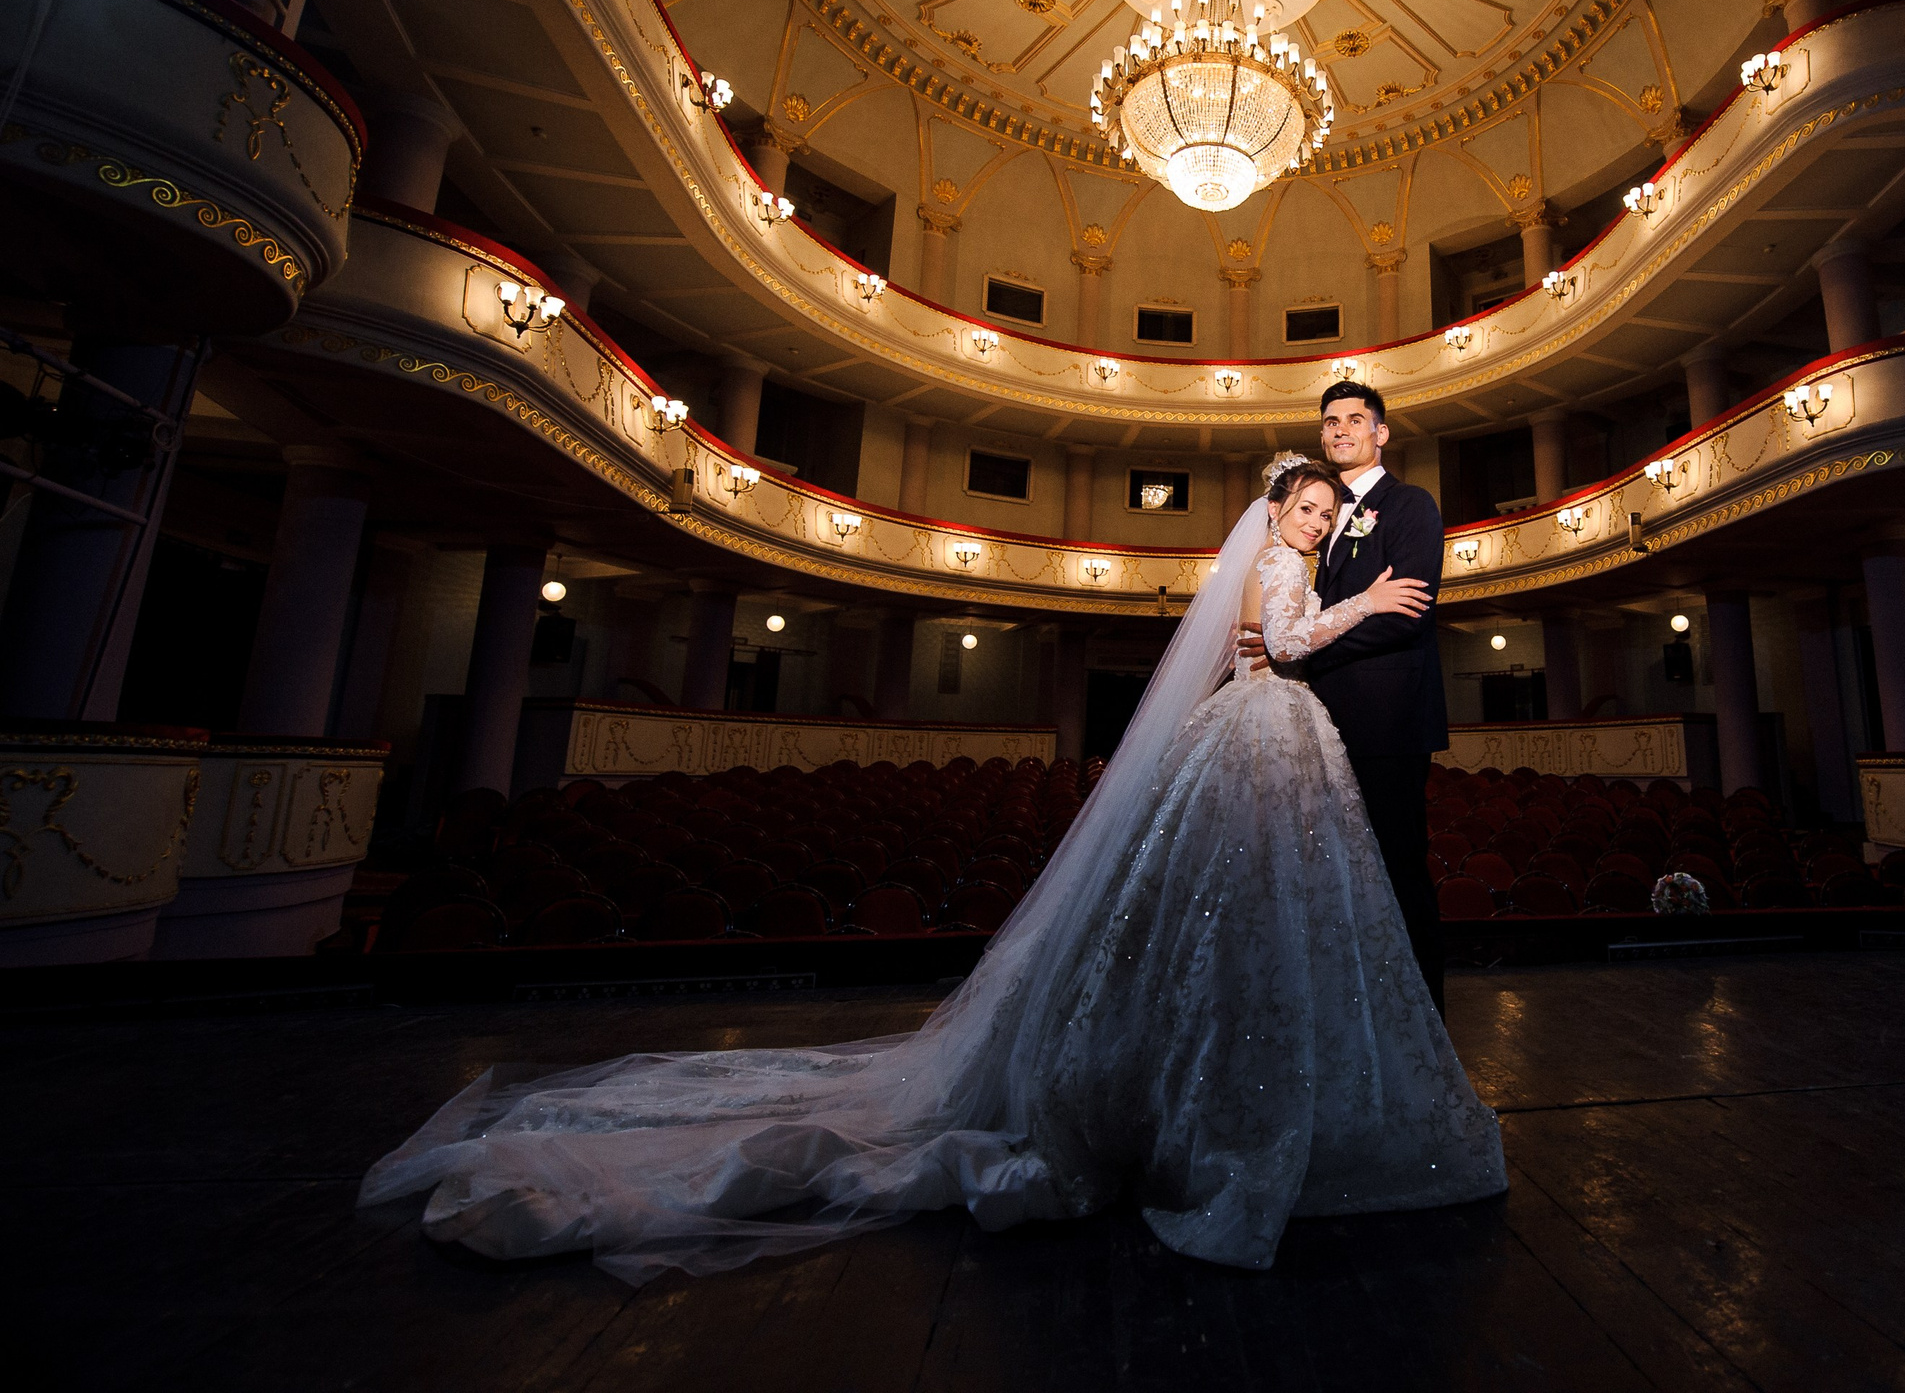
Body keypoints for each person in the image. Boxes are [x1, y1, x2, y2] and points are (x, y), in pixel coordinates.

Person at [357, 456, 1506, 1282]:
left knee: (1264, 919)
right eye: (1300, 508)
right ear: (1274, 510)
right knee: (1224, 913)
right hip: (1263, 727)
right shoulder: (1274, 569)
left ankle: (1262, 1075)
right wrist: (1359, 596)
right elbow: (1291, 641)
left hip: (1276, 738)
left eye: (1319, 511)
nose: (1311, 522)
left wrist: (1342, 597)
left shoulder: (1289, 556)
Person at [1238, 380, 1450, 1010]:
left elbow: (1403, 613)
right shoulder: (1318, 514)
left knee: (1396, 870)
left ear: (1380, 433)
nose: (1339, 430)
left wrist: (1295, 649)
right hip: (1319, 724)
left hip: (1386, 721)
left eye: (1355, 420)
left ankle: (1420, 1022)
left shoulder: (1409, 505)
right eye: (1330, 421)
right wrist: (1283, 643)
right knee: (1333, 875)